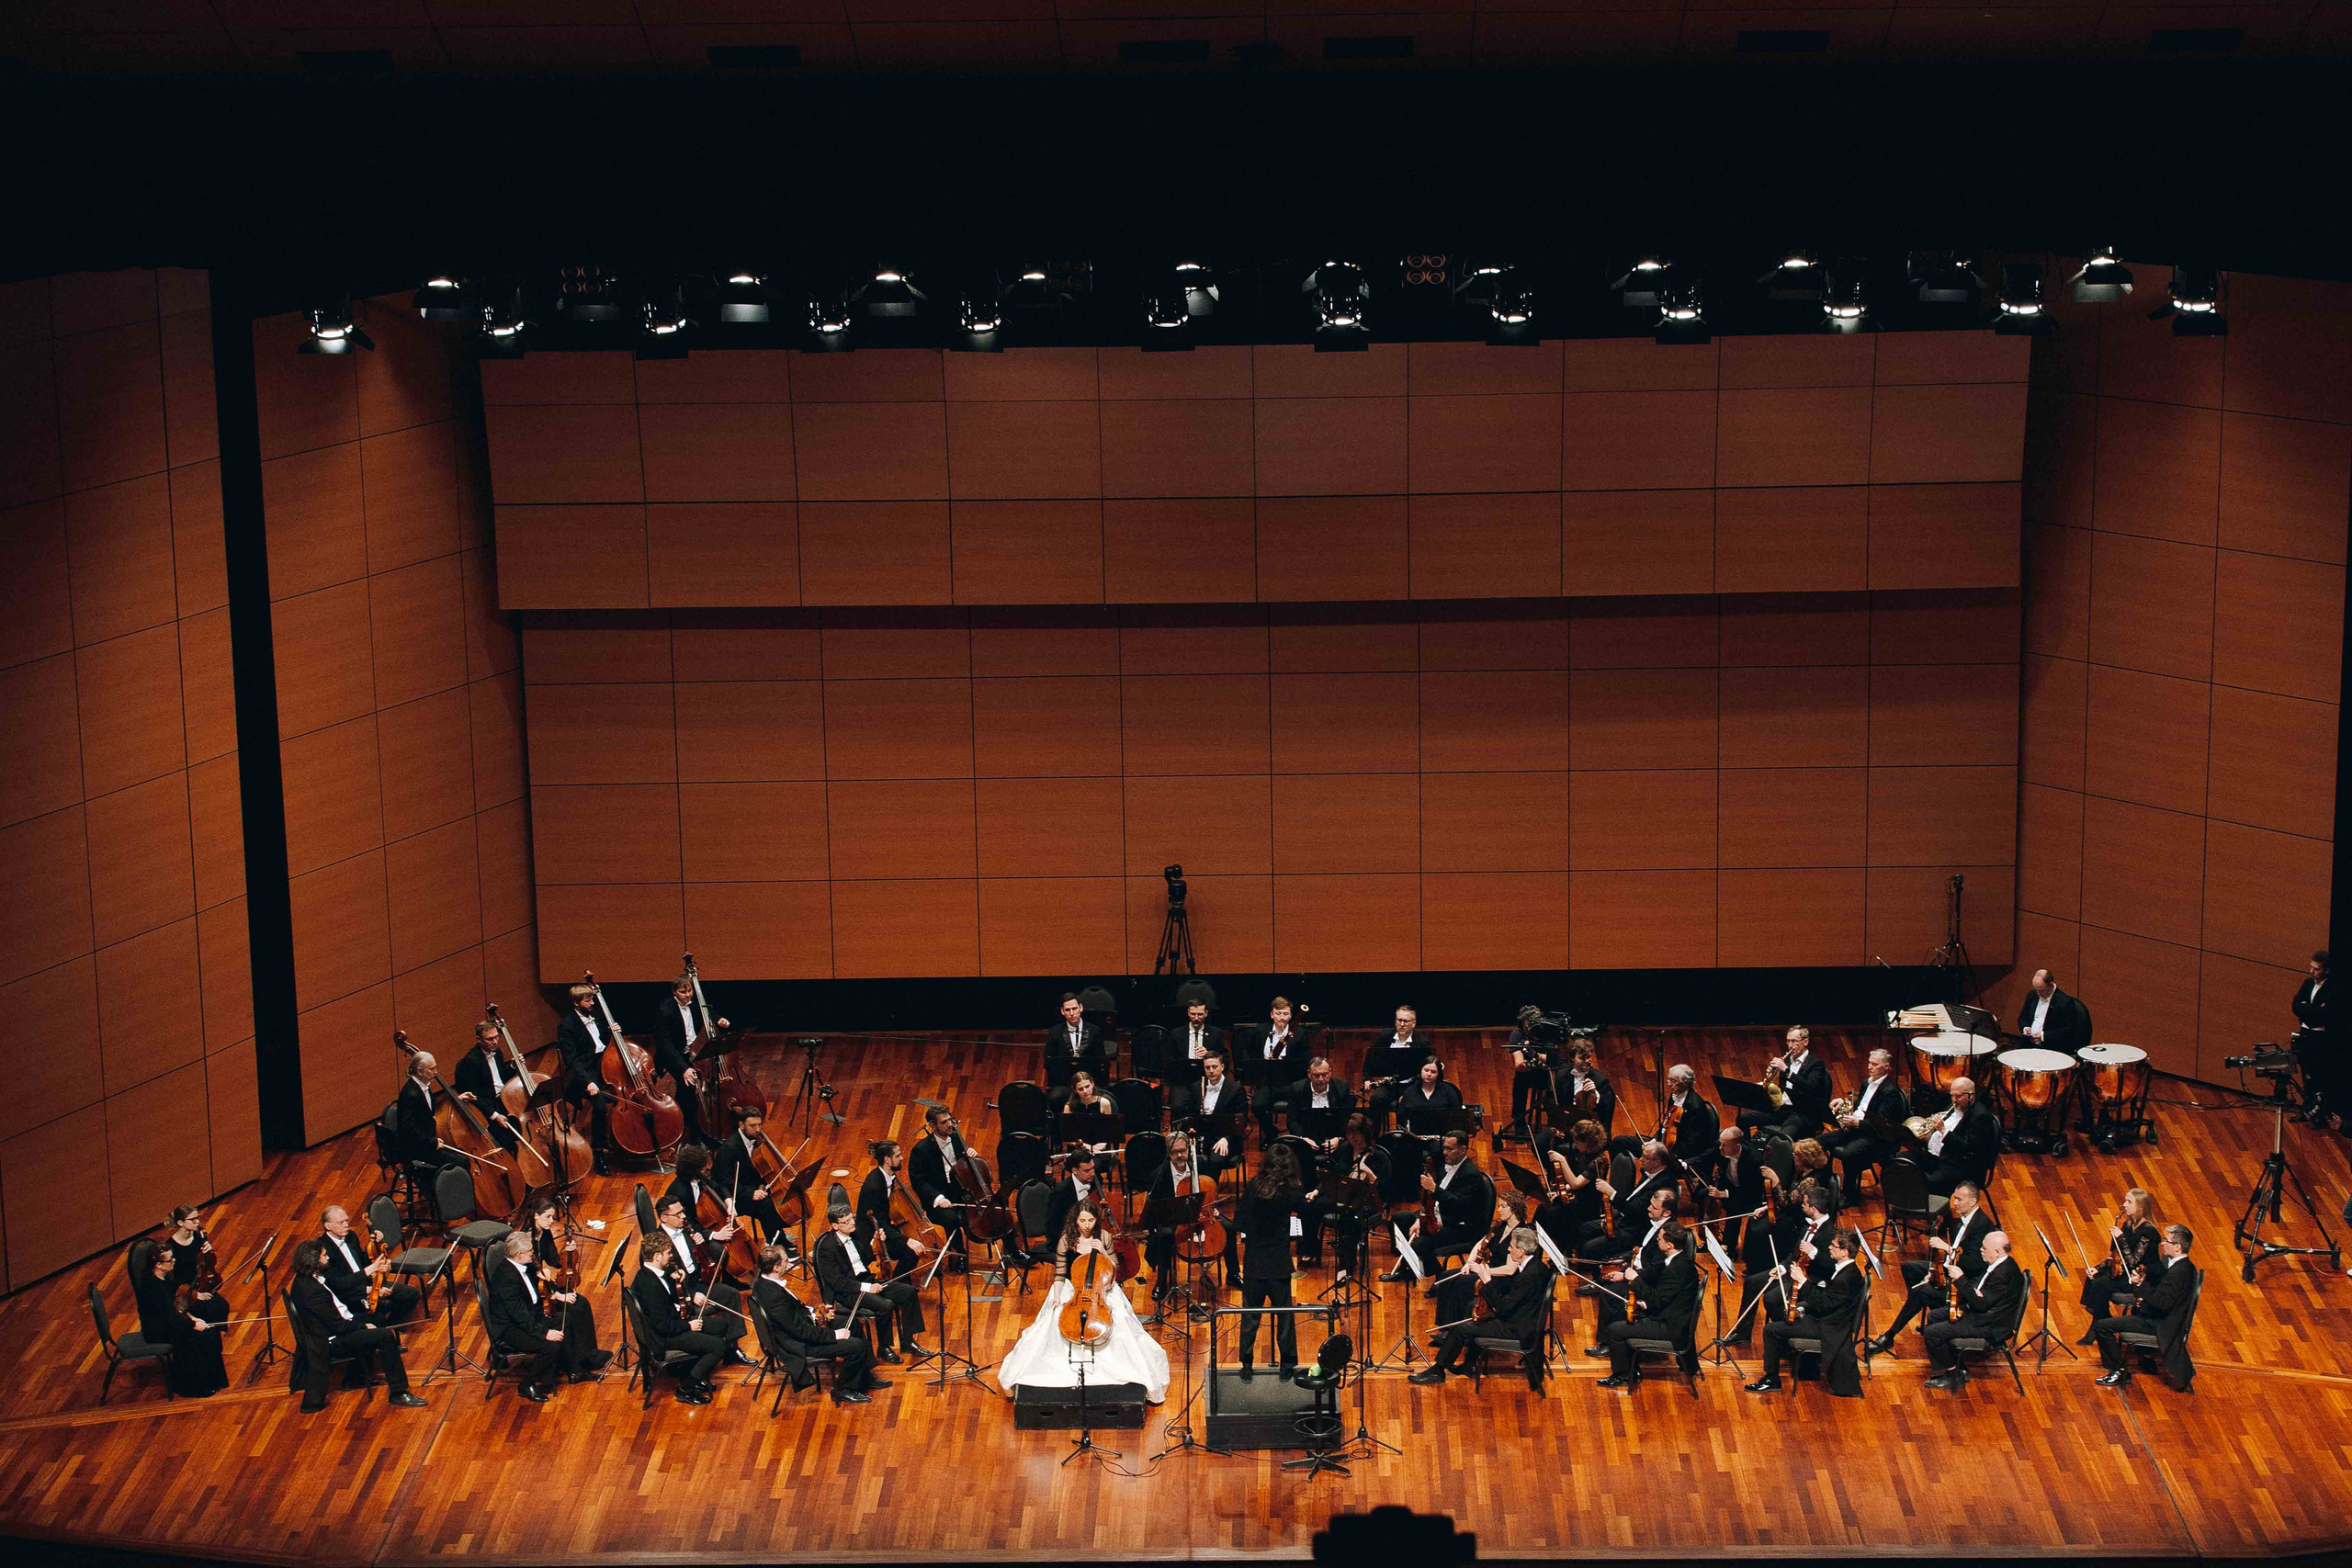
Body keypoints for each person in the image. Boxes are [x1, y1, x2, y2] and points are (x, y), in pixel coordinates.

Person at [994, 1197, 1170, 1404]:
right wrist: (1057, 1296)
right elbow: (1060, 1275)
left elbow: (1115, 1270)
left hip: (1101, 1289)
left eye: (1091, 1221)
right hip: (1073, 1288)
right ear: (1075, 1221)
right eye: (1083, 1221)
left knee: (1121, 1319)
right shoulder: (1066, 1241)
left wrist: (1103, 1251)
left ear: (1096, 1220)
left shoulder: (1104, 1237)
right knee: (1052, 1320)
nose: (1087, 1226)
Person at [1408, 1226, 1555, 1392]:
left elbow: (1503, 1308)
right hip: (1522, 1318)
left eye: (1512, 1247)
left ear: (1521, 1252)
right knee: (1473, 1308)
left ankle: (1437, 1371)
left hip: (1516, 1328)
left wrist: (1487, 1281)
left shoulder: (1528, 1276)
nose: (1508, 1248)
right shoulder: (1537, 1266)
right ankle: (1469, 1365)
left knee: (1461, 1329)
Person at [289, 1239, 427, 1412]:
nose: (328, 1258)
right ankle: (398, 1392)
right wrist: (362, 1326)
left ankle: (356, 1377)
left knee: (376, 1318)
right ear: (313, 1260)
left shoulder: (307, 1279)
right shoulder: (312, 1291)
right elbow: (339, 1326)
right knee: (384, 1336)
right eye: (324, 1256)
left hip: (335, 1326)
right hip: (331, 1340)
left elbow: (337, 1298)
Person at [1867, 1181, 1991, 1355]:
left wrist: (1948, 1249)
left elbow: (1975, 1263)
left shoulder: (1983, 1226)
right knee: (1909, 1268)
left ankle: (1889, 1335)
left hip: (1964, 1282)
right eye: (1954, 1198)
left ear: (1973, 1201)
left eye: (1959, 1199)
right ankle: (1932, 1308)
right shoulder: (1960, 1219)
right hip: (1948, 1269)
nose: (1954, 1203)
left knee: (1920, 1292)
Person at [752, 1245, 884, 1405]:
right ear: (776, 1267)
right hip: (799, 1345)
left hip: (803, 1327)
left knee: (853, 1323)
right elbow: (800, 1331)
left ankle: (864, 1376)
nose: (789, 1264)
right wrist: (835, 1335)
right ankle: (842, 1389)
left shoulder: (762, 1283)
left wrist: (816, 1313)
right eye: (786, 1261)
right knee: (857, 1346)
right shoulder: (774, 1297)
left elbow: (794, 1313)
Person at [1746, 1227, 1865, 1396]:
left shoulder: (1846, 1278)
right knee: (1785, 1318)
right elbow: (1827, 1299)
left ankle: (1771, 1379)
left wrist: (1802, 1280)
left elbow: (1824, 1304)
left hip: (1828, 1327)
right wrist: (1802, 1308)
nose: (1829, 1248)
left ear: (1845, 1252)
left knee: (1771, 1330)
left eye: (1833, 1246)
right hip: (1825, 1319)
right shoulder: (1845, 1270)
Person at [647, 1195, 752, 1367]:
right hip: (682, 1291)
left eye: (683, 1212)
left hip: (700, 1280)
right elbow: (663, 1282)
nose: (683, 1216)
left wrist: (702, 1242)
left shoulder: (686, 1228)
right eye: (678, 1214)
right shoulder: (657, 1244)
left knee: (731, 1294)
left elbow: (701, 1239)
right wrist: (690, 1295)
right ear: (664, 1218)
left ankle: (732, 1349)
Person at [1596, 1220, 1701, 1390]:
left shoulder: (1675, 1270)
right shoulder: (1679, 1261)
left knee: (1614, 1330)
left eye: (1659, 1239)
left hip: (1670, 1328)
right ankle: (1632, 1369)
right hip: (1671, 1316)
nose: (1657, 1241)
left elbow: (1656, 1300)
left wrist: (1635, 1280)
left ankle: (1623, 1375)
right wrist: (1640, 1301)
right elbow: (1664, 1296)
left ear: (1669, 1245)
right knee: (1621, 1313)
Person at [814, 1205, 926, 1363]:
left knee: (908, 1292)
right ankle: (884, 1348)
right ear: (835, 1226)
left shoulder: (856, 1234)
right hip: (848, 1291)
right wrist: (867, 1288)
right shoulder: (827, 1248)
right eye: (846, 1221)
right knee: (885, 1306)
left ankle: (908, 1342)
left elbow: (867, 1258)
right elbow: (836, 1282)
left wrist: (876, 1242)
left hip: (867, 1280)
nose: (853, 1222)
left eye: (852, 1218)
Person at [2093, 1224, 2197, 1390]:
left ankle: (2118, 1371)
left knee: (2102, 1326)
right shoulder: (2186, 1267)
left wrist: (2140, 1286)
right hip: (2161, 1318)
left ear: (2178, 1247)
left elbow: (2162, 1303)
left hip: (2159, 1324)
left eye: (2166, 1241)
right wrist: (2142, 1288)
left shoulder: (2178, 1272)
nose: (2162, 1244)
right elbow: (2164, 1297)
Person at [1234, 1143, 1307, 1375]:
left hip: (1254, 1261)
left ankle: (1246, 1364)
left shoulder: (1253, 1186)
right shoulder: (1291, 1193)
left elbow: (1239, 1223)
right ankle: (1287, 1365)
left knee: (1250, 1316)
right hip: (1279, 1262)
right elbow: (1306, 1208)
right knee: (1285, 1316)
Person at [1922, 1229, 2025, 1391]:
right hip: (1984, 1313)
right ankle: (1956, 1366)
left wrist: (1961, 1280)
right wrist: (1971, 1288)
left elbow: (1981, 1304)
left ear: (1997, 1252)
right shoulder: (2000, 1263)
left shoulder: (2003, 1274)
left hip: (1989, 1325)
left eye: (1984, 1248)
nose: (1980, 1250)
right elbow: (1980, 1286)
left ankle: (1953, 1376)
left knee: (1931, 1332)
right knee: (1934, 1316)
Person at [487, 1230, 583, 1402]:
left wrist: (541, 1272)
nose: (533, 1254)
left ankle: (573, 1370)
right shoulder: (506, 1279)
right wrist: (545, 1333)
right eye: (530, 1252)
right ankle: (528, 1384)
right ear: (518, 1255)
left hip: (529, 1315)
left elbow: (534, 1274)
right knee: (550, 1345)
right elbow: (519, 1316)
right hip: (511, 1328)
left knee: (565, 1319)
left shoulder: (523, 1265)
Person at [856, 1140, 941, 1336]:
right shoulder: (874, 1185)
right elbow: (878, 1223)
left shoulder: (889, 1177)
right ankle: (893, 1289)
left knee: (910, 1250)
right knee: (910, 1251)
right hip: (871, 1236)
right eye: (898, 1155)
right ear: (887, 1159)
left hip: (884, 1228)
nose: (902, 1158)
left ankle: (900, 1286)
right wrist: (906, 1240)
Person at [630, 1237, 729, 1404]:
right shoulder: (650, 1287)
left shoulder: (646, 1274)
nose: (671, 1256)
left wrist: (675, 1280)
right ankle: (686, 1388)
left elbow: (667, 1299)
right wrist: (688, 1326)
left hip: (671, 1325)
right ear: (657, 1256)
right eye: (668, 1253)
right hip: (665, 1337)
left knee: (721, 1326)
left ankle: (695, 1373)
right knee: (718, 1347)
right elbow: (663, 1325)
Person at [1389, 1130, 1495, 1280]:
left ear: (1463, 1150)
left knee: (1421, 1243)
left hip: (1459, 1225)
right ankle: (1407, 1269)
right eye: (1444, 1148)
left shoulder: (1470, 1175)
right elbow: (1433, 1201)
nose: (1445, 1152)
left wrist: (1434, 1189)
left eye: (1450, 1149)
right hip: (1437, 1214)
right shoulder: (1445, 1165)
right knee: (1398, 1219)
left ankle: (1440, 1277)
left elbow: (1459, 1205)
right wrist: (1421, 1217)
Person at [132, 1239, 227, 1397]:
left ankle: (214, 1381)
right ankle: (193, 1387)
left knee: (211, 1331)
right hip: (158, 1330)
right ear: (159, 1265)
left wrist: (192, 1317)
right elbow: (169, 1317)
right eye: (170, 1260)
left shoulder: (165, 1279)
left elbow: (176, 1307)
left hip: (171, 1320)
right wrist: (193, 1324)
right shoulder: (152, 1287)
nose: (174, 1261)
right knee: (200, 1337)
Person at [525, 1194, 608, 1368]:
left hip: (545, 1284)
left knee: (582, 1303)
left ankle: (589, 1352)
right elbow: (528, 1273)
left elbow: (554, 1260)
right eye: (547, 1217)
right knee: (571, 1309)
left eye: (552, 1217)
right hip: (534, 1291)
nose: (551, 1221)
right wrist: (556, 1295)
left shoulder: (545, 1233)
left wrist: (567, 1251)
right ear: (535, 1216)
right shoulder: (525, 1239)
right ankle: (577, 1360)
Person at [650, 971, 725, 1148]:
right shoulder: (665, 1010)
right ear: (674, 992)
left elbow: (708, 1010)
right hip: (673, 1055)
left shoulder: (695, 1002)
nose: (688, 994)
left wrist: (718, 1019)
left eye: (689, 990)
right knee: (688, 1086)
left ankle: (684, 1122)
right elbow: (665, 1045)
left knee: (688, 1091)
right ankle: (694, 1134)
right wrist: (683, 1069)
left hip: (694, 1050)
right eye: (683, 992)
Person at [2076, 1188, 2162, 1342]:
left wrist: (2121, 1238)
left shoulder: (2149, 1232)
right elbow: (2117, 1257)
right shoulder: (2128, 1226)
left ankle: (2101, 1322)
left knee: (2101, 1285)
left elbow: (2133, 1261)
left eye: (2129, 1201)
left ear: (2141, 1207)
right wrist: (2097, 1268)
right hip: (2128, 1271)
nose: (2124, 1204)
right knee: (2094, 1278)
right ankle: (2100, 1320)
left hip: (2142, 1278)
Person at [1305, 1114, 1388, 1271]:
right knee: (1310, 1205)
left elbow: (1385, 1189)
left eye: (1356, 1133)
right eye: (1349, 1133)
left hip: (1365, 1202)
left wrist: (1370, 1174)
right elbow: (1333, 1175)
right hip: (1343, 1196)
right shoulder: (1344, 1150)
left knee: (1348, 1217)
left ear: (1365, 1133)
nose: (1352, 1137)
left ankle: (1347, 1264)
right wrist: (1316, 1191)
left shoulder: (1378, 1157)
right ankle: (1311, 1248)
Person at [1824, 1049, 1908, 1203]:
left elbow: (1882, 1124)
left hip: (1877, 1137)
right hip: (1858, 1129)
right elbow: (1860, 1107)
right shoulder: (1867, 1083)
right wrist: (1844, 1102)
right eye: (1869, 1063)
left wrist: (1857, 1123)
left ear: (1886, 1067)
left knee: (1850, 1153)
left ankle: (1850, 1195)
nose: (1870, 1067)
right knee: (1820, 1141)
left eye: (1875, 1064)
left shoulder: (1891, 1093)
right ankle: (1825, 1185)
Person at [708, 1107, 795, 1254]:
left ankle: (779, 1237)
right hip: (736, 1196)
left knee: (776, 1197)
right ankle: (775, 1245)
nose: (758, 1129)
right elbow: (725, 1180)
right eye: (753, 1126)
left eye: (760, 1125)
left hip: (754, 1188)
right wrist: (751, 1193)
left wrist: (761, 1185)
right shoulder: (729, 1148)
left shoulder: (757, 1140)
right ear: (741, 1125)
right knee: (766, 1205)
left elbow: (760, 1170)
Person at [318, 1204, 421, 1324]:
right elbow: (339, 1285)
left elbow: (362, 1261)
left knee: (411, 1294)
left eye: (346, 1220)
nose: (346, 1225)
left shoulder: (351, 1236)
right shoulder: (323, 1249)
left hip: (369, 1283)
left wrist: (373, 1244)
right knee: (383, 1306)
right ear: (328, 1226)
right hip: (351, 1293)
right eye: (341, 1222)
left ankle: (392, 1326)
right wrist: (369, 1289)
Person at [1141, 1130, 1213, 1300]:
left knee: (1229, 1228)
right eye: (1175, 1152)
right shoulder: (1158, 1176)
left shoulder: (1200, 1164)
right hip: (1174, 1218)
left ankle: (1232, 1273)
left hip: (1202, 1214)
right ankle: (1161, 1282)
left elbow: (1210, 1189)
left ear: (1188, 1149)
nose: (1180, 1155)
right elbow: (1156, 1209)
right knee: (1165, 1236)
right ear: (1168, 1154)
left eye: (1183, 1150)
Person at [555, 983, 618, 1175]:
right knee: (599, 1106)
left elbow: (601, 1041)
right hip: (583, 1072)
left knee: (622, 1093)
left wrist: (612, 1031)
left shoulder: (597, 1015)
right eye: (588, 1000)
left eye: (592, 999)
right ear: (576, 1003)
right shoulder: (566, 1026)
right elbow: (572, 1061)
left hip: (604, 1063)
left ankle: (619, 1138)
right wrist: (588, 1082)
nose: (592, 1003)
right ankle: (598, 1152)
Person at [1742, 1026, 1831, 1140]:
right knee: (1743, 1119)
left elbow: (1810, 1087)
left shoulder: (1816, 1064)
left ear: (1805, 1042)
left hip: (1803, 1113)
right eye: (1788, 1041)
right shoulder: (1788, 1061)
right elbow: (1783, 1088)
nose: (1790, 1045)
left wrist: (1787, 1071)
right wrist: (1772, 1075)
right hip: (1784, 1109)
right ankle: (1749, 1152)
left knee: (1783, 1137)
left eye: (1794, 1041)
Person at [1916, 1077, 2000, 1196]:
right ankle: (1905, 1207)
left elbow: (1968, 1147)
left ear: (1971, 1095)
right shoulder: (1954, 1106)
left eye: (1958, 1096)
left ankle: (1935, 1211)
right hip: (1938, 1158)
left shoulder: (1980, 1117)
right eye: (1952, 1095)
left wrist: (1943, 1131)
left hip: (1963, 1167)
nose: (1954, 1100)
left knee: (1926, 1181)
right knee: (1901, 1161)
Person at [395, 1052, 469, 1183]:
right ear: (420, 1071)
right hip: (418, 1147)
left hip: (428, 1138)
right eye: (432, 1069)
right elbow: (407, 1130)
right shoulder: (410, 1094)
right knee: (461, 1162)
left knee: (462, 1153)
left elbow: (428, 1108)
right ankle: (446, 1195)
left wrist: (456, 1099)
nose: (436, 1072)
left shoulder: (422, 1086)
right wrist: (432, 1142)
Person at [1176, 1048, 1249, 1179]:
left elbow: (1241, 1120)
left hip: (1225, 1137)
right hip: (1200, 1135)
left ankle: (1208, 1192)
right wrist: (1190, 1127)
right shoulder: (1197, 1086)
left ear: (1222, 1067)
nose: (1211, 1071)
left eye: (1214, 1067)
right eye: (1207, 1067)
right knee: (1180, 1155)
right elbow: (1189, 1112)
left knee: (1215, 1160)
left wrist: (1226, 1139)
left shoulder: (1235, 1089)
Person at [451, 1021, 522, 1153]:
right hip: (487, 1108)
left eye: (496, 1037)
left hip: (504, 1100)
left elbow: (500, 1080)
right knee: (507, 1142)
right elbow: (474, 1097)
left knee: (520, 1128)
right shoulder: (470, 1062)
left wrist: (513, 1067)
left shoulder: (497, 1052)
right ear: (478, 1039)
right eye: (489, 1039)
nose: (495, 1042)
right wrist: (495, 1115)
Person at [1362, 1005, 1431, 1123]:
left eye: (1406, 1021)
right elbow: (1370, 1058)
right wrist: (1367, 1079)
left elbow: (1425, 1070)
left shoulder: (1422, 1042)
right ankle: (1373, 1136)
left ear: (1413, 1024)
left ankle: (1403, 1137)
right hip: (1389, 1084)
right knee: (1376, 1099)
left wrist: (1411, 1092)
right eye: (1399, 1020)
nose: (1402, 1024)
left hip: (1411, 1085)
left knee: (1404, 1105)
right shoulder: (1385, 1037)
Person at [2293, 951, 2339, 1126]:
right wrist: (2312, 1010)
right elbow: (2296, 1006)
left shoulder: (2333, 988)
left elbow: (2325, 1015)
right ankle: (2306, 1110)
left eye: (2316, 969)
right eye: (2311, 967)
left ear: (2326, 970)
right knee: (2306, 1075)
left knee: (2320, 1076)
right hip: (2305, 1034)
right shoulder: (2307, 984)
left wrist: (2307, 1009)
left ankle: (2319, 1116)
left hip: (2320, 1038)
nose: (2312, 972)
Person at [162, 1205, 231, 1319]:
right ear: (180, 1223)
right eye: (193, 1220)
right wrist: (195, 1294)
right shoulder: (171, 1247)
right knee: (209, 1310)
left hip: (202, 1283)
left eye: (197, 1218)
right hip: (183, 1290)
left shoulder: (199, 1237)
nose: (197, 1222)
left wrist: (209, 1251)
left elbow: (208, 1262)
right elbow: (171, 1279)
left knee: (222, 1306)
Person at [1045, 992, 1108, 1109]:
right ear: (1062, 1012)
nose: (1072, 1013)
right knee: (1054, 1098)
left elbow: (1101, 1060)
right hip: (1065, 1082)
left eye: (1074, 1008)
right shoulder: (1054, 1033)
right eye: (1068, 1010)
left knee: (1104, 1099)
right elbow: (1048, 1063)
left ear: (1081, 1008)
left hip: (1088, 1081)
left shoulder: (1094, 1031)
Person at [1286, 1055, 1358, 1151]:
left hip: (1333, 1135)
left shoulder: (1342, 1087)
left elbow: (1347, 1118)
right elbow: (1292, 1121)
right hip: (1307, 1135)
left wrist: (1339, 1138)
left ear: (1330, 1072)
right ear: (1309, 1074)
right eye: (1316, 1075)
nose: (1321, 1079)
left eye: (1324, 1075)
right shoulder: (1297, 1089)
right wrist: (1303, 1138)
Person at [1656, 1064, 1719, 1171]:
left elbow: (1691, 1141)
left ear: (1685, 1083)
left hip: (1683, 1151)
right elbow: (1667, 1122)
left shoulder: (1696, 1106)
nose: (1669, 1084)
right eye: (1669, 1080)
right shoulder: (1674, 1096)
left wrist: (1664, 1153)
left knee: (1653, 1161)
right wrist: (1655, 1139)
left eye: (1674, 1081)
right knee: (1621, 1141)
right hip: (1666, 1142)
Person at [2018, 968, 2093, 1057]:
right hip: (2029, 1045)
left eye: (2041, 990)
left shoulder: (2065, 1002)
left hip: (2051, 1048)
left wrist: (2043, 1035)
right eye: (2036, 989)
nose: (2038, 993)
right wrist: (2025, 1027)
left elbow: (2067, 1031)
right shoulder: (2032, 995)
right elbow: (2023, 1017)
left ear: (2050, 985)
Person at [1506, 1004, 1557, 1133]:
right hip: (1529, 1072)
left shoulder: (1548, 1033)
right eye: (1527, 1025)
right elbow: (1519, 1064)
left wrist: (1537, 1056)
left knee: (1558, 1086)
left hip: (1549, 1073)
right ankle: (1519, 1121)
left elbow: (1556, 1058)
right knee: (1519, 1083)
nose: (1530, 1028)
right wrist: (1531, 1063)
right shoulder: (1517, 1035)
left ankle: (1556, 1122)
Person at [1553, 1041, 1617, 1135]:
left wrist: (1595, 1094)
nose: (1587, 1061)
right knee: (1541, 1141)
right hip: (1568, 1122)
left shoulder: (1600, 1080)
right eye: (1582, 1058)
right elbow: (1558, 1103)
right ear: (1572, 1058)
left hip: (1591, 1127)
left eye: (1589, 1057)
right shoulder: (1562, 1075)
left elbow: (1606, 1109)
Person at [1056, 1071, 1122, 1162]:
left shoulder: (1104, 1103)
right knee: (1082, 1163)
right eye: (1080, 1089)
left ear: (1092, 1084)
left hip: (1100, 1149)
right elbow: (1066, 1137)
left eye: (1087, 1086)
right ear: (1075, 1090)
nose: (1085, 1091)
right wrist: (1084, 1146)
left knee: (1094, 1164)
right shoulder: (1069, 1107)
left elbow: (1110, 1131)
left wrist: (1101, 1144)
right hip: (1077, 1150)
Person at [1395, 1056, 1466, 1137]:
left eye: (1433, 1072)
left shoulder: (1448, 1091)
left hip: (1441, 1138)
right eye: (1426, 1070)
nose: (1429, 1074)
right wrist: (1407, 1129)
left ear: (1438, 1073)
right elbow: (1401, 1116)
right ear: (1420, 1070)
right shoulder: (1410, 1091)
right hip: (1414, 1137)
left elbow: (1456, 1116)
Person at [1046, 1146, 1103, 1243]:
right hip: (1068, 1237)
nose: (1092, 1173)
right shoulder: (1061, 1191)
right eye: (1087, 1171)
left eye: (1093, 1168)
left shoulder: (1096, 1180)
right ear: (1075, 1171)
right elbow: (1053, 1224)